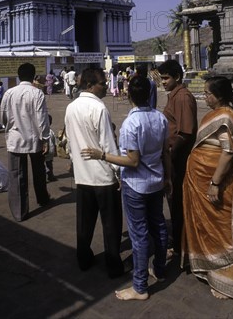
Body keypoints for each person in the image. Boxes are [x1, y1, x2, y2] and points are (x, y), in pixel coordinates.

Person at [81, 75, 171, 301]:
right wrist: (168, 177)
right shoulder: (160, 118)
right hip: (156, 181)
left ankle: (140, 286)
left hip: (137, 184)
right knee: (158, 225)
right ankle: (159, 269)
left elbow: (132, 161)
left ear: (128, 94)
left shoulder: (132, 123)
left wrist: (102, 155)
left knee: (139, 235)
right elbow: (165, 152)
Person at [182, 76, 233, 300]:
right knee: (212, 229)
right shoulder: (217, 114)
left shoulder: (226, 116)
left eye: (208, 93)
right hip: (203, 182)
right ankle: (212, 269)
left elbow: (228, 154)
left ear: (219, 95)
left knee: (225, 230)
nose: (205, 97)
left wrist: (215, 183)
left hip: (218, 185)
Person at [64, 67, 124, 279]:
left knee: (85, 222)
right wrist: (118, 172)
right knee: (111, 224)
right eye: (102, 83)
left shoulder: (71, 108)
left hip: (83, 176)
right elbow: (108, 145)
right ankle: (113, 264)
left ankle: (84, 258)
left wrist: (75, 163)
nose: (106, 86)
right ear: (89, 85)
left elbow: (70, 142)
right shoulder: (99, 109)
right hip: (103, 176)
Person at [157, 59, 197, 255]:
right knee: (174, 201)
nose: (163, 82)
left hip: (178, 159)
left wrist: (170, 155)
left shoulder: (182, 97)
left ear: (177, 77)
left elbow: (185, 132)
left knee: (178, 201)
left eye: (166, 78)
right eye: (162, 78)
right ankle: (180, 239)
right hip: (172, 157)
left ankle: (182, 245)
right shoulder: (174, 96)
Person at [1, 63, 50, 222]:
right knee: (39, 171)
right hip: (34, 137)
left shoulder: (9, 93)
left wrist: (8, 128)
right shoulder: (37, 93)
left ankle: (19, 211)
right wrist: (45, 138)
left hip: (15, 138)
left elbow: (3, 116)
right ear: (33, 76)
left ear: (18, 75)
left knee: (16, 174)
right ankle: (42, 198)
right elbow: (42, 119)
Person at [45, 115, 57, 182]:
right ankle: (50, 176)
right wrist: (55, 151)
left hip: (44, 151)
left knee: (42, 165)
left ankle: (45, 176)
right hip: (50, 151)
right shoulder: (51, 132)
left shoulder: (42, 131)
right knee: (49, 164)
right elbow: (54, 142)